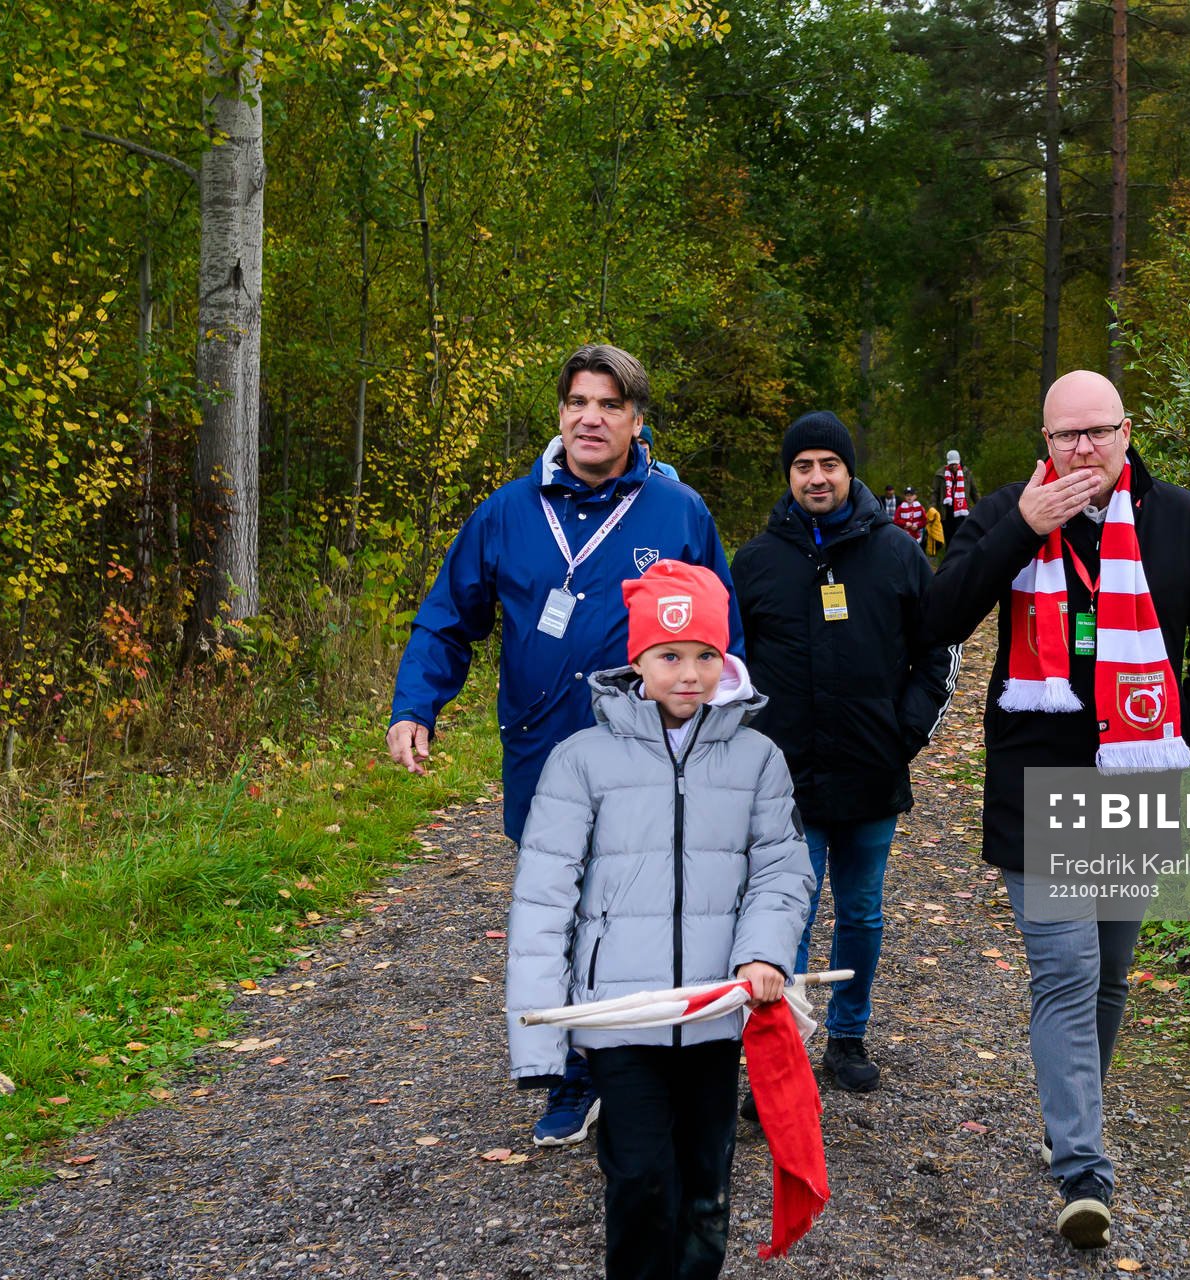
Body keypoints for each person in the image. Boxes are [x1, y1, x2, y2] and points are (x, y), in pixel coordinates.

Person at [386, 342, 742, 1149]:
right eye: (579, 401)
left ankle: (646, 1069)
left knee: (649, 914)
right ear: (560, 413)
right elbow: (448, 618)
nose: (592, 417)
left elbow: (724, 637)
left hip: (655, 756)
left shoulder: (676, 513)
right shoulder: (507, 514)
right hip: (544, 757)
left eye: (611, 405)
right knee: (565, 918)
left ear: (636, 421)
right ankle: (576, 1077)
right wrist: (417, 706)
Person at [921, 370, 1190, 1249]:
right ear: (1045, 442)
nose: (1084, 449)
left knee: (1108, 974)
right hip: (1040, 788)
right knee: (1064, 973)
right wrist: (1025, 531)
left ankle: (1075, 1111)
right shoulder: (1005, 514)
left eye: (1099, 431)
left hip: (1138, 782)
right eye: (1067, 435)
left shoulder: (1183, 518)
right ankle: (1082, 1168)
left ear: (1128, 433)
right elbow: (938, 617)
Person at [507, 559, 813, 1280]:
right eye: (669, 655)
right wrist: (541, 1035)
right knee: (641, 1177)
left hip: (714, 1008)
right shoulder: (581, 760)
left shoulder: (759, 758)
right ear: (636, 660)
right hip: (621, 1014)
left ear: (725, 659)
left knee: (705, 1185)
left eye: (705, 655)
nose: (688, 674)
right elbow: (545, 893)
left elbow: (780, 867)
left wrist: (763, 954)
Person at [731, 412, 960, 1100]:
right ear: (789, 476)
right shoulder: (756, 563)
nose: (817, 477)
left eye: (829, 463)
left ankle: (848, 1035)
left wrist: (904, 733)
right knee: (785, 917)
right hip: (785, 783)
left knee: (861, 913)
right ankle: (783, 1051)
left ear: (849, 470)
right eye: (803, 466)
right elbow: (729, 668)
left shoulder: (897, 553)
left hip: (870, 770)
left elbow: (939, 650)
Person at [933, 449, 977, 548]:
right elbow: (935, 493)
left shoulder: (967, 473)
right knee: (949, 539)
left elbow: (974, 492)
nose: (954, 466)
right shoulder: (940, 474)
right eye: (951, 464)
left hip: (963, 511)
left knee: (963, 538)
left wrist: (981, 505)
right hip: (947, 512)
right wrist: (933, 508)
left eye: (955, 464)